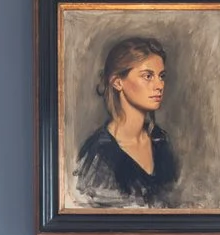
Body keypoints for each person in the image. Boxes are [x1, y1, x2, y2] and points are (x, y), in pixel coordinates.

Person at [73, 35, 180, 208]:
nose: (159, 85)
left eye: (161, 76)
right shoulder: (97, 155)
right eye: (148, 76)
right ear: (117, 82)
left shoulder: (160, 141)